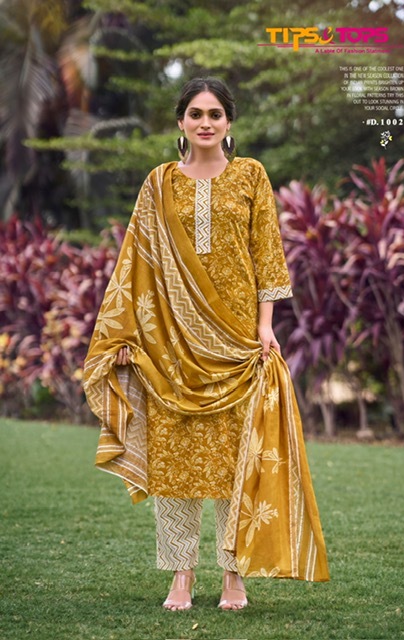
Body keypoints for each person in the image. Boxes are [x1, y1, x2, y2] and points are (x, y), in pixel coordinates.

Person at [83, 77, 329, 612]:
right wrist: (125, 334)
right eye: (196, 113)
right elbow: (136, 263)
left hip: (237, 341)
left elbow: (267, 254)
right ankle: (182, 575)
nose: (205, 123)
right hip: (170, 345)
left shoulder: (251, 175)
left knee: (235, 461)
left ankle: (234, 575)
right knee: (176, 462)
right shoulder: (158, 183)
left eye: (215, 114)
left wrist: (265, 326)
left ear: (229, 122)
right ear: (181, 122)